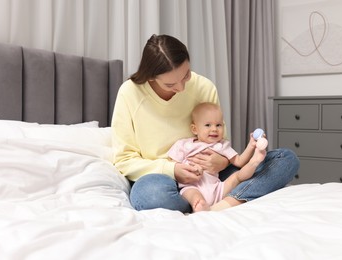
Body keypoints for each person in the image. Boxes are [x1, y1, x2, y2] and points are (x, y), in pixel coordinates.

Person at [111, 34, 300, 214]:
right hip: (163, 178)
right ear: (150, 77)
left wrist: (222, 161)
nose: (181, 88)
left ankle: (221, 205)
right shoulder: (130, 93)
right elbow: (124, 159)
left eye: (186, 76)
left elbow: (219, 139)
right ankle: (202, 200)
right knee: (149, 195)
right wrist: (173, 170)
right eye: (170, 85)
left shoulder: (204, 86)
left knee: (285, 159)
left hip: (213, 174)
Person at [168, 102, 267, 212]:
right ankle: (200, 204)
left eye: (218, 125)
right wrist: (191, 169)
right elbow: (173, 166)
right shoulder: (184, 145)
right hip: (192, 186)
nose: (214, 129)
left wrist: (251, 145)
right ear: (194, 129)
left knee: (237, 176)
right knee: (191, 193)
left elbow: (239, 162)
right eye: (208, 125)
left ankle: (255, 161)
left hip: (218, 188)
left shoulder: (221, 145)